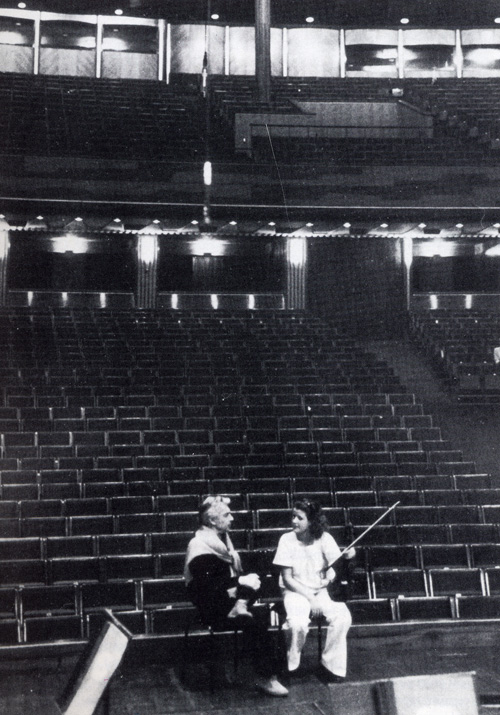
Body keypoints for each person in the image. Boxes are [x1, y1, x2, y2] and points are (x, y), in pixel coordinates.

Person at [184, 495, 288, 697]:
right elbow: (205, 586)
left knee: (257, 580)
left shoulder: (222, 541)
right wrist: (239, 582)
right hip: (210, 608)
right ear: (212, 520)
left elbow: (225, 580)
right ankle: (266, 678)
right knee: (256, 621)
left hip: (225, 600)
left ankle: (240, 605)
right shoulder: (198, 545)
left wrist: (241, 583)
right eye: (226, 515)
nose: (232, 518)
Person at [273, 497, 354, 683]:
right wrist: (310, 598)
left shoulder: (325, 538)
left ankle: (330, 666)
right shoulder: (286, 539)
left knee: (342, 616)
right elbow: (287, 579)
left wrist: (348, 558)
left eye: (299, 518)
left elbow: (337, 566)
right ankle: (291, 665)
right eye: (293, 516)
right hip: (294, 592)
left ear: (312, 521)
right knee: (297, 624)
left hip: (320, 592)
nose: (294, 521)